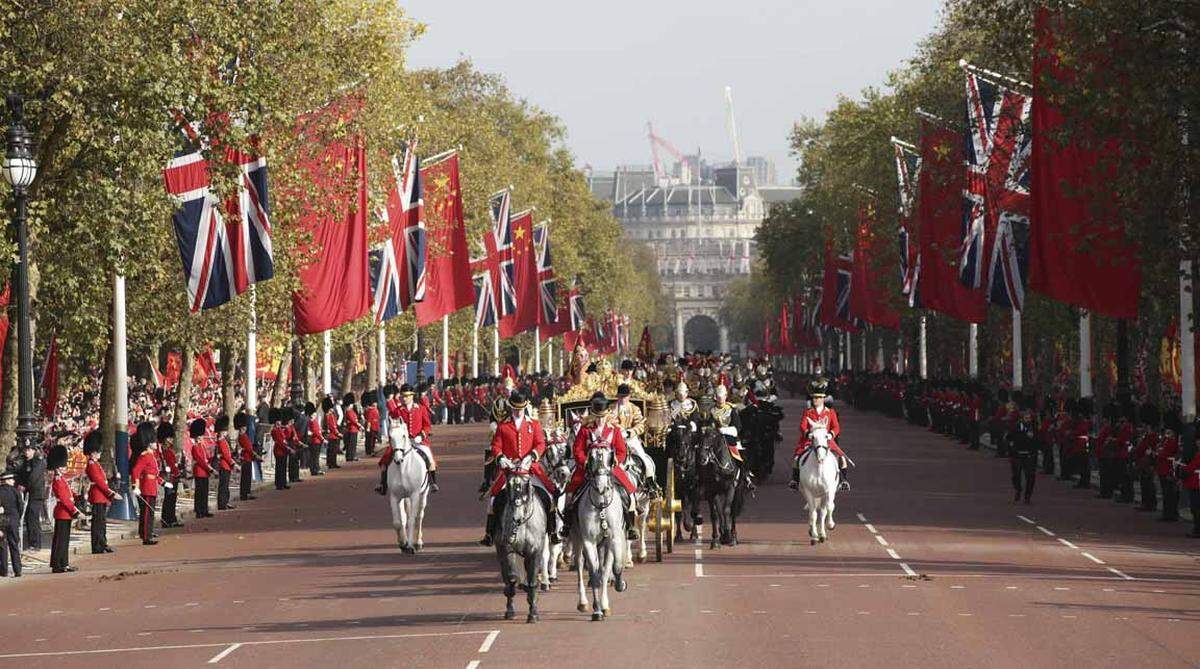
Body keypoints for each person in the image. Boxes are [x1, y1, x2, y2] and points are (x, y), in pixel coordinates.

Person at [480, 391, 557, 546]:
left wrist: (532, 456)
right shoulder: (503, 425)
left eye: (520, 409)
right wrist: (501, 458)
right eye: (515, 409)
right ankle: (490, 533)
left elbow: (540, 444)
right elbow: (496, 445)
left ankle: (552, 532)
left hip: (530, 469)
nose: (518, 412)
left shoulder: (533, 424)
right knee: (493, 499)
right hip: (509, 470)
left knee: (549, 496)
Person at [563, 393, 638, 540]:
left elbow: (622, 450)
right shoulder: (585, 430)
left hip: (610, 468)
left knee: (629, 492)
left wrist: (617, 459)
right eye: (597, 416)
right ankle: (568, 525)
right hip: (587, 469)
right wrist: (584, 462)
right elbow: (577, 449)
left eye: (602, 416)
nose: (600, 419)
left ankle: (630, 526)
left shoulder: (614, 430)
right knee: (570, 494)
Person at [790, 378, 850, 491]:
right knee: (797, 458)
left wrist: (831, 434)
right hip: (810, 440)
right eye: (814, 398)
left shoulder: (830, 412)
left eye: (817, 398)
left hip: (826, 440)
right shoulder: (808, 412)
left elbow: (836, 427)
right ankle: (795, 481)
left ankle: (843, 481)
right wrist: (808, 434)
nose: (815, 400)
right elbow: (802, 426)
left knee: (842, 458)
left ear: (823, 399)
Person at [376, 384, 436, 494]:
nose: (405, 398)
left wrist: (421, 436)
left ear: (412, 396)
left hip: (418, 440)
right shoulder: (398, 411)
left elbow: (427, 426)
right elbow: (392, 424)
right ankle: (383, 484)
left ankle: (432, 482)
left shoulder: (421, 409)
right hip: (401, 442)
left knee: (429, 459)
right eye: (403, 396)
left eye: (407, 396)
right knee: (385, 461)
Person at [83, 430, 120, 553]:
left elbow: (103, 480)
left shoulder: (95, 464)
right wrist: (112, 493)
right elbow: (99, 482)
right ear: (93, 452)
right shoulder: (91, 465)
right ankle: (97, 545)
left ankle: (102, 543)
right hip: (97, 495)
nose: (99, 453)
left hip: (101, 496)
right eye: (98, 451)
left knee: (102, 522)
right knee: (98, 522)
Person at [47, 445, 81, 573]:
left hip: (65, 512)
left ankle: (63, 563)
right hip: (63, 512)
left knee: (63, 540)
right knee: (61, 540)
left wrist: (76, 495)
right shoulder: (57, 479)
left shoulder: (61, 478)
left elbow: (67, 493)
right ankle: (59, 564)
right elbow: (64, 498)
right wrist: (75, 511)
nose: (64, 466)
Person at [129, 427, 161, 545]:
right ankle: (146, 536)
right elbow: (135, 471)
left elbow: (154, 473)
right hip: (146, 487)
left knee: (149, 512)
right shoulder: (145, 456)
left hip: (151, 486)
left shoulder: (151, 456)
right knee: (147, 513)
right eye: (153, 442)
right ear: (148, 443)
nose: (155, 443)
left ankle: (147, 532)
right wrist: (135, 486)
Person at [1008, 398, 1038, 504]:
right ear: (1022, 418)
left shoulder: (1033, 428)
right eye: (1026, 417)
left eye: (1029, 418)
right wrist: (1012, 449)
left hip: (1029, 455)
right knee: (1016, 475)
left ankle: (1027, 496)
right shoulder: (1016, 427)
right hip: (1017, 454)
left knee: (1030, 476)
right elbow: (1009, 438)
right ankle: (1018, 489)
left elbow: (1037, 441)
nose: (1028, 419)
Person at [16, 442, 44, 551]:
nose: (26, 453)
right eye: (25, 450)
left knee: (33, 517)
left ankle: (36, 544)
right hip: (31, 493)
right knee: (29, 517)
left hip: (36, 493)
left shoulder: (38, 461)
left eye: (29, 450)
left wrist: (25, 486)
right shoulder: (27, 462)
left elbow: (34, 477)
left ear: (33, 450)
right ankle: (33, 542)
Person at [158, 423, 183, 528]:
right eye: (169, 438)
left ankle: (171, 518)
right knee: (169, 499)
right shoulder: (164, 451)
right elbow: (170, 465)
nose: (171, 440)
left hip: (173, 477)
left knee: (172, 499)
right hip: (169, 478)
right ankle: (167, 519)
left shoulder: (168, 450)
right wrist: (176, 472)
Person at [1157, 412, 1181, 522]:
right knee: (1166, 493)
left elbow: (1163, 453)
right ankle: (1168, 513)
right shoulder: (1167, 440)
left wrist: (1158, 452)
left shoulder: (1172, 441)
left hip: (1169, 469)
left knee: (1169, 493)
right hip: (1163, 468)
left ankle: (1170, 514)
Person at [190, 419, 215, 518]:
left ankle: (204, 509)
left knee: (205, 491)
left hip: (204, 471)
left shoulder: (201, 446)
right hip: (200, 471)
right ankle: (199, 510)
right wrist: (210, 469)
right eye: (199, 436)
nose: (201, 438)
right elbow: (200, 460)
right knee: (199, 492)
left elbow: (206, 457)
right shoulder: (195, 447)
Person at [0, 470, 23, 577]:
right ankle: (17, 570)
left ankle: (3, 570)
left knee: (2, 546)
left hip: (1, 521)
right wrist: (17, 518)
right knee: (14, 545)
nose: (14, 481)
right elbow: (21, 507)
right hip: (13, 520)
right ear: (7, 480)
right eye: (12, 479)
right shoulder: (15, 491)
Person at [214, 416, 236, 510]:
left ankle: (225, 502)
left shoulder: (223, 440)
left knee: (225, 485)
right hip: (224, 465)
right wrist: (232, 463)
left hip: (226, 465)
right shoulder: (221, 441)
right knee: (223, 485)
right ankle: (222, 503)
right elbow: (226, 455)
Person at [236, 413, 259, 501]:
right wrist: (255, 455)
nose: (245, 428)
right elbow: (248, 448)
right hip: (246, 458)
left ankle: (246, 493)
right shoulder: (242, 436)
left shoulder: (243, 435)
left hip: (247, 457)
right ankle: (244, 494)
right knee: (246, 477)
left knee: (247, 477)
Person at [270, 410, 292, 491]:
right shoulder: (274, 431)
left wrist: (287, 428)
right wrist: (287, 448)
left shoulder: (280, 429)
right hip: (279, 451)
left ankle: (283, 483)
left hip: (283, 450)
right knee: (279, 468)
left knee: (283, 467)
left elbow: (285, 438)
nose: (279, 422)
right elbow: (279, 441)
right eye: (278, 421)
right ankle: (279, 484)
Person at [306, 403, 324, 477]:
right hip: (315, 441)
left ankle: (315, 469)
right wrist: (322, 438)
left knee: (314, 456)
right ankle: (315, 469)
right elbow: (316, 432)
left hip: (315, 440)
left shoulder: (312, 421)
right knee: (315, 456)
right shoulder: (312, 421)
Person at [323, 397, 342, 469]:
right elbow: (333, 426)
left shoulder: (327, 415)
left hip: (330, 435)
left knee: (331, 450)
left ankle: (330, 463)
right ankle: (332, 463)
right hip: (333, 435)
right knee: (333, 450)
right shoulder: (330, 415)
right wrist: (338, 433)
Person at [343, 393, 361, 462]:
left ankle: (352, 455)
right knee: (351, 444)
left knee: (353, 444)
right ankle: (350, 456)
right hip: (352, 429)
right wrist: (359, 425)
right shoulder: (348, 411)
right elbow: (353, 420)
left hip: (354, 429)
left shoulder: (351, 410)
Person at [363, 392, 381, 457]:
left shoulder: (375, 409)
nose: (376, 403)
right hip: (371, 427)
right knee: (370, 440)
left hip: (375, 426)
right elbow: (369, 420)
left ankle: (371, 450)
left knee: (373, 440)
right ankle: (369, 451)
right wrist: (368, 428)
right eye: (375, 402)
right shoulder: (370, 410)